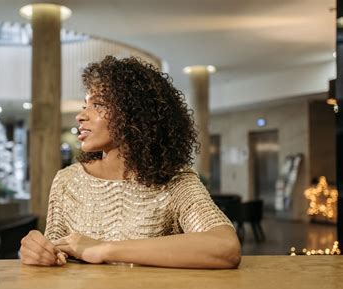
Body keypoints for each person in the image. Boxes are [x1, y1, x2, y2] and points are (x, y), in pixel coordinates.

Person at [20, 56, 241, 269]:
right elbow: (54, 254)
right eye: (85, 104)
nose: (81, 116)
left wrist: (104, 250)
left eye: (98, 104)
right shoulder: (67, 181)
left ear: (134, 114)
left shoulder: (174, 182)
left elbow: (225, 247)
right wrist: (38, 251)